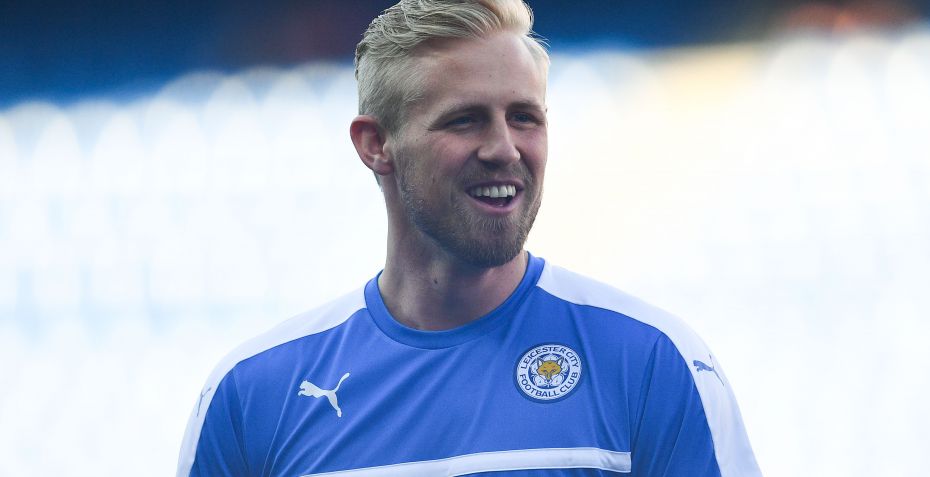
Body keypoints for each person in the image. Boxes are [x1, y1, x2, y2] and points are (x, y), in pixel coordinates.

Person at [177, 0, 762, 475]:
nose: (505, 149)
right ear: (375, 145)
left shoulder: (649, 362)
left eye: (525, 117)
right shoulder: (254, 395)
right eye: (465, 120)